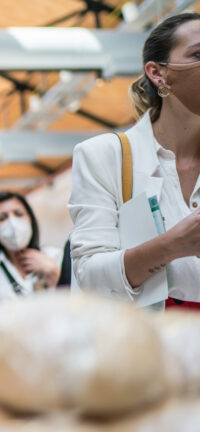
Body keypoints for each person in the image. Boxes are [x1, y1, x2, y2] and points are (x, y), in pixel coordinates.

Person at [70, 13, 200, 310]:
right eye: (198, 53)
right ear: (158, 74)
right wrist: (172, 246)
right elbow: (91, 276)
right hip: (148, 344)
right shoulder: (105, 156)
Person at [0, 191, 62, 307]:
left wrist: (54, 275)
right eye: (2, 218)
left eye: (18, 214)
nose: (12, 223)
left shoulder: (55, 256)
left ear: (31, 220)